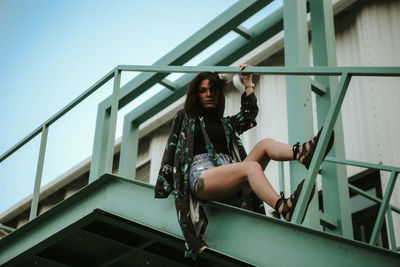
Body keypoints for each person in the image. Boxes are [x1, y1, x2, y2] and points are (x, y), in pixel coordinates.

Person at [154, 64, 334, 259]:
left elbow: (248, 116)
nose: (208, 94)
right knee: (251, 168)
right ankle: (284, 207)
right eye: (203, 90)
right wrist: (164, 185)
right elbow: (172, 147)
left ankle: (302, 153)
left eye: (213, 90)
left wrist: (248, 83)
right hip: (202, 179)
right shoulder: (186, 118)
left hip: (228, 179)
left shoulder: (226, 124)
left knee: (264, 144)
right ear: (196, 95)